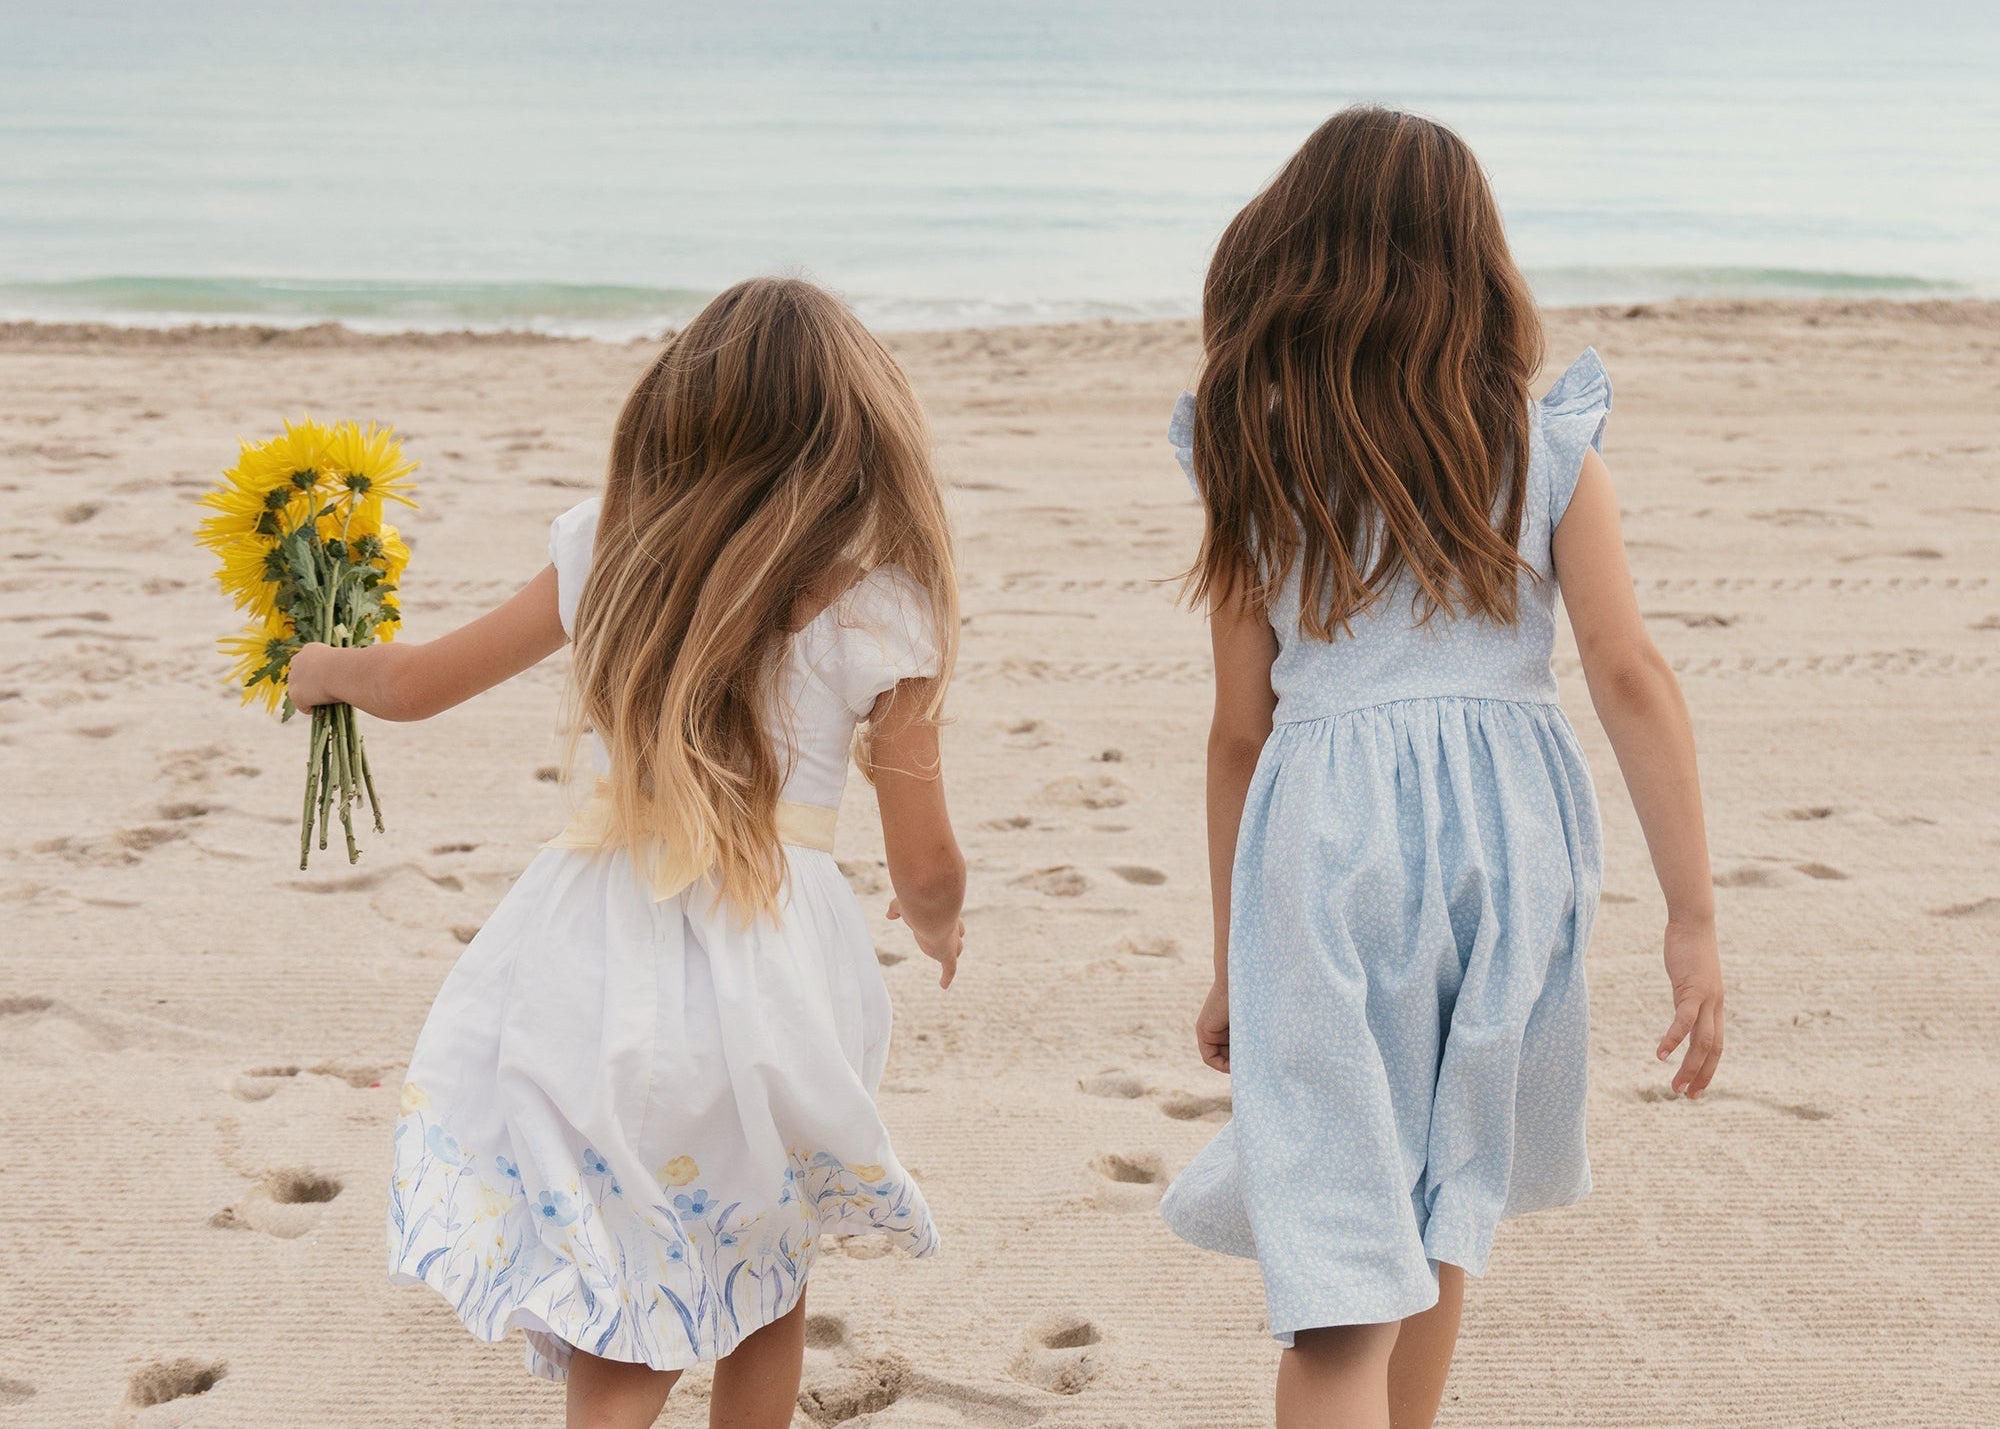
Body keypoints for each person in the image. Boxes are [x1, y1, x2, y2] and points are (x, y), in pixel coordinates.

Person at [288, 277, 967, 1429]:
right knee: (765, 1249)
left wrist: (323, 668)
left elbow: (412, 683)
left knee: (627, 1269)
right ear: (857, 433)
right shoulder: (879, 609)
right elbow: (927, 859)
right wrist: (939, 919)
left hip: (596, 942)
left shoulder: (608, 550)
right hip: (775, 966)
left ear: (677, 411)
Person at [1157, 107, 1726, 1429]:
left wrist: (1238, 955)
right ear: (1479, 269)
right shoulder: (1549, 455)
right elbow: (1629, 674)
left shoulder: (1259, 463)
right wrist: (1692, 914)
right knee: (1442, 1196)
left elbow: (1239, 732)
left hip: (1323, 851)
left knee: (1341, 1279)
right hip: (1505, 846)